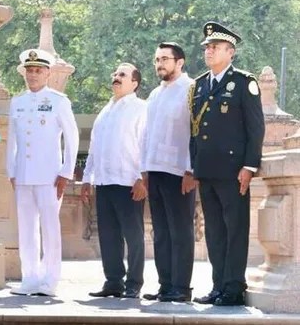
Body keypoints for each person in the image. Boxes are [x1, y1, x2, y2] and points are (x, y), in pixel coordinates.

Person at [189, 22, 263, 306]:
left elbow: (255, 128)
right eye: (207, 47)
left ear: (230, 52)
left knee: (235, 229)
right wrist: (194, 165)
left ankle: (234, 287)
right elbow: (195, 130)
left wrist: (250, 165)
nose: (209, 51)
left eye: (215, 47)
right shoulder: (199, 85)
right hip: (206, 169)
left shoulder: (245, 82)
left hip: (233, 171)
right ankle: (219, 285)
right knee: (215, 231)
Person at [7, 48, 79, 297]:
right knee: (26, 228)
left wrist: (66, 171)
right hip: (24, 174)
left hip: (49, 175)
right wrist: (11, 170)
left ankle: (50, 280)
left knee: (50, 228)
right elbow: (12, 140)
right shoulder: (18, 101)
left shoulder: (59, 101)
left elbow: (72, 138)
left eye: (38, 70)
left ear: (47, 73)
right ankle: (29, 277)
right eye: (29, 70)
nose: (33, 74)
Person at [81, 63, 148, 299]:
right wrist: (87, 179)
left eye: (122, 75)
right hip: (104, 182)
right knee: (108, 235)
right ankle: (113, 282)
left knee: (133, 235)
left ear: (135, 83)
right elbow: (94, 148)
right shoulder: (105, 111)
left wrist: (143, 179)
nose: (116, 77)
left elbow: (146, 146)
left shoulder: (141, 109)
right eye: (115, 74)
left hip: (129, 183)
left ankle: (134, 283)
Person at [140, 42, 196, 303]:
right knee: (160, 231)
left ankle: (182, 287)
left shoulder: (192, 90)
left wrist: (190, 169)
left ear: (179, 62)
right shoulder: (154, 94)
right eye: (156, 59)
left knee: (180, 230)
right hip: (155, 169)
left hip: (178, 171)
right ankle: (165, 285)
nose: (159, 64)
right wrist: (143, 169)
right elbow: (146, 134)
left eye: (164, 59)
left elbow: (196, 133)